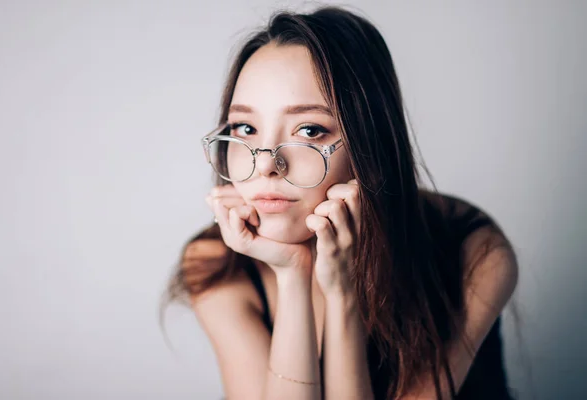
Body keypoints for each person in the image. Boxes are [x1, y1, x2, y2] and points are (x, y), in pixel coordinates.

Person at [164, 6, 519, 400]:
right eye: (246, 129)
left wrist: (343, 292)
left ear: (370, 145)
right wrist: (293, 275)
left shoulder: (471, 251)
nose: (265, 163)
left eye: (310, 130)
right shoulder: (215, 264)